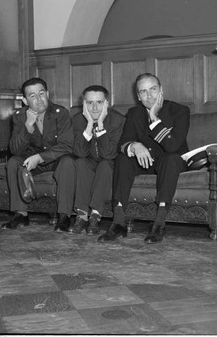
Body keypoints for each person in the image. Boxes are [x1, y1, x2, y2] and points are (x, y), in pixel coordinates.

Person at [98, 73, 190, 244]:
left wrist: (154, 118)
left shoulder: (180, 111)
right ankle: (118, 223)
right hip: (146, 161)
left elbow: (172, 146)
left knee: (170, 158)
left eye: (153, 89)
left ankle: (159, 224)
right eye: (143, 92)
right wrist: (134, 146)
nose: (149, 96)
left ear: (161, 90)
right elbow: (123, 143)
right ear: (138, 96)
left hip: (171, 161)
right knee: (123, 159)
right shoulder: (134, 113)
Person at [1, 77, 75, 232]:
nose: (39, 99)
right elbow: (15, 149)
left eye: (41, 93)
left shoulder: (60, 113)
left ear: (47, 94)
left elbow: (67, 146)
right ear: (25, 100)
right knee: (14, 162)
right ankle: (21, 214)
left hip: (57, 160)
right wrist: (28, 126)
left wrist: (40, 158)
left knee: (68, 162)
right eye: (32, 96)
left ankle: (64, 216)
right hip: (32, 161)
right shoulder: (20, 116)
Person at [69, 85, 125, 236]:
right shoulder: (77, 120)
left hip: (110, 163)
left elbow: (109, 154)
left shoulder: (118, 120)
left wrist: (100, 125)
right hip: (90, 161)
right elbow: (79, 152)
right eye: (89, 103)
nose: (94, 108)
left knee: (105, 165)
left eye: (99, 102)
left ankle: (95, 215)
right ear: (83, 104)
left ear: (107, 103)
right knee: (80, 162)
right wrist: (88, 125)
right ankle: (81, 215)